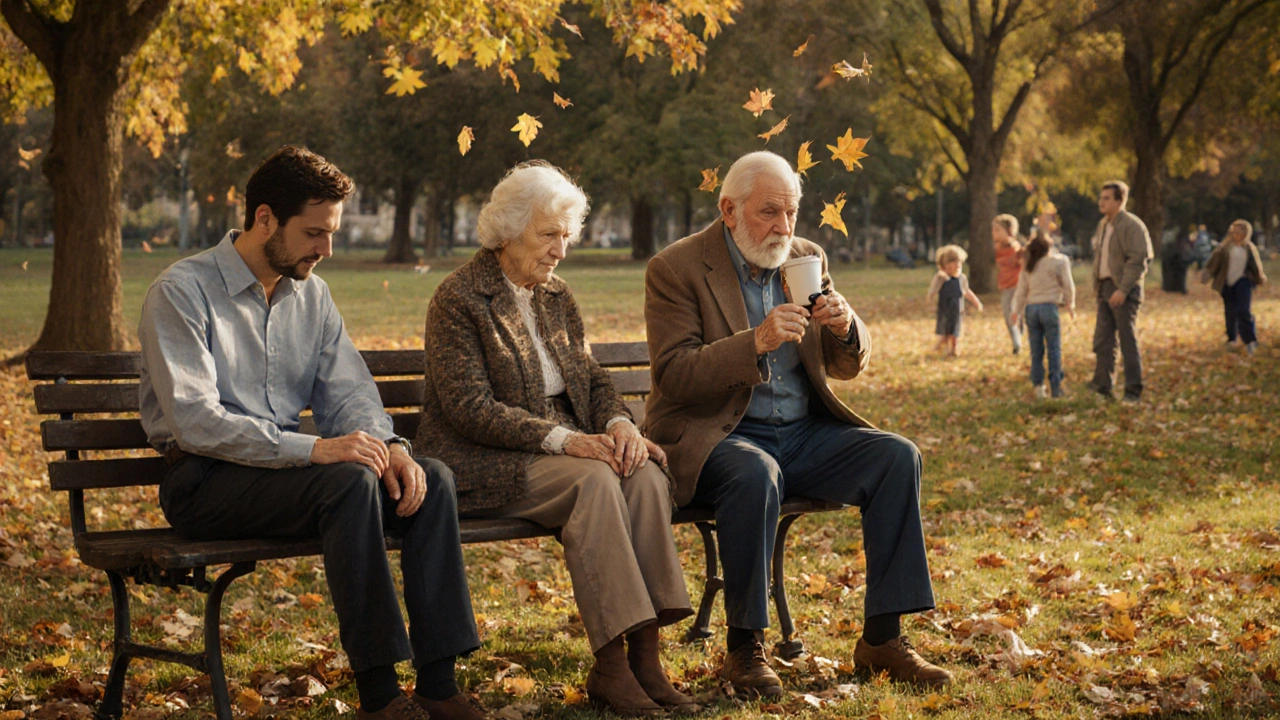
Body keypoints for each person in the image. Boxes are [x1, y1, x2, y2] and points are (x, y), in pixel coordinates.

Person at [138, 147, 482, 720]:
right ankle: (379, 695)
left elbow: (348, 394)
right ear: (265, 218)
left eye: (332, 233)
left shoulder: (312, 296)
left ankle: (438, 685)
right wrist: (315, 449)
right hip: (204, 482)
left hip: (286, 478)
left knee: (432, 480)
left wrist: (391, 448)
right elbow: (195, 422)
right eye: (314, 233)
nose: (326, 249)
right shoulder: (182, 291)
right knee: (347, 483)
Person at [643, 151, 951, 695]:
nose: (783, 227)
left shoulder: (807, 257)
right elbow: (674, 375)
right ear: (729, 210)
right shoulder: (677, 267)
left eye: (791, 212)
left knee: (896, 456)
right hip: (721, 436)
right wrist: (755, 342)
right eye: (769, 212)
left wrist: (845, 326)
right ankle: (745, 648)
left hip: (803, 435)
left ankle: (882, 639)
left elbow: (847, 366)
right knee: (754, 473)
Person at [415, 161, 695, 716]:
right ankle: (611, 668)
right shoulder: (459, 298)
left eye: (566, 236)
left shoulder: (556, 296)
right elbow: (470, 409)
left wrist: (619, 425)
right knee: (595, 480)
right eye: (548, 235)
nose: (560, 251)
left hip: (563, 450)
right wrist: (563, 439)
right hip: (485, 458)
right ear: (507, 231)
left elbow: (591, 378)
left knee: (641, 474)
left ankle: (646, 660)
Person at [1088, 180, 1153, 403]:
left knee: (1127, 341)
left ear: (1120, 201)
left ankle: (1133, 390)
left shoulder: (1132, 226)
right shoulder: (1103, 225)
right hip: (1105, 288)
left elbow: (1138, 260)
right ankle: (1102, 387)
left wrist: (1123, 290)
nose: (1101, 202)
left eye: (1107, 198)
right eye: (1101, 198)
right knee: (1103, 341)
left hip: (1124, 289)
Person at [1011, 232, 1076, 399]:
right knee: (1054, 347)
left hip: (1031, 309)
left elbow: (1021, 290)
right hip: (1049, 307)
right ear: (1049, 247)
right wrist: (1070, 303)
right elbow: (1068, 285)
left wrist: (1016, 310)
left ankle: (1038, 386)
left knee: (1036, 350)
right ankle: (1056, 386)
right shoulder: (1059, 262)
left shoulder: (1028, 265)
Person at [1201, 219, 1268, 354]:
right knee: (1230, 312)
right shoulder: (1224, 248)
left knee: (1243, 311)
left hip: (1243, 281)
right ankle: (1232, 338)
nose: (1236, 234)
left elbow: (1255, 265)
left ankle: (1250, 340)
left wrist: (1260, 278)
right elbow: (1213, 263)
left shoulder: (1249, 248)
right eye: (1234, 231)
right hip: (1227, 283)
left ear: (1245, 233)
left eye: (1239, 231)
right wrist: (1206, 274)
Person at [927, 245, 984, 357]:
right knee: (945, 333)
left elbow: (966, 291)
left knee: (955, 332)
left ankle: (953, 350)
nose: (957, 265)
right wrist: (930, 301)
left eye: (959, 262)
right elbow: (933, 291)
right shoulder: (941, 278)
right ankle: (937, 348)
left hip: (957, 311)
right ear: (944, 265)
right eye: (952, 262)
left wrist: (976, 302)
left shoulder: (961, 279)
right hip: (945, 310)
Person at [993, 214, 1025, 354]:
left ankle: (1018, 341)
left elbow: (1022, 265)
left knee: (1017, 314)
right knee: (1008, 315)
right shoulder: (997, 249)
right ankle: (1017, 342)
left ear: (1009, 231)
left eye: (997, 230)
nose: (994, 233)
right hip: (1005, 287)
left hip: (1017, 286)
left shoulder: (1015, 248)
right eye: (993, 230)